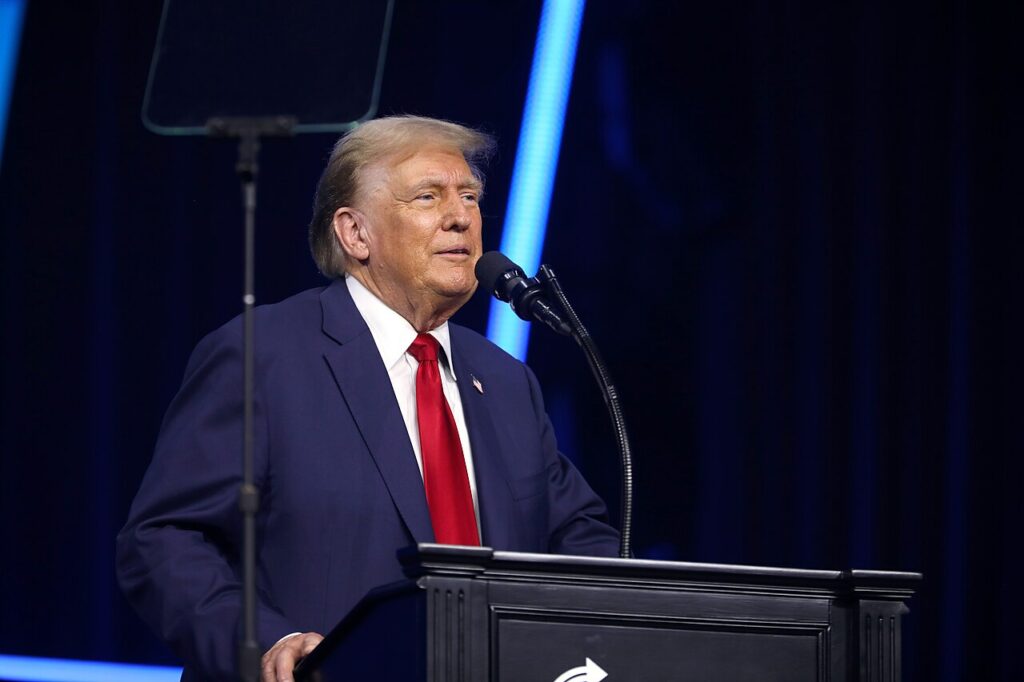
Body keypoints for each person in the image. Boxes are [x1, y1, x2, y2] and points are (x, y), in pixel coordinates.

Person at [116, 116, 620, 682]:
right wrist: (265, 641)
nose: (461, 216)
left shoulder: (504, 381)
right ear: (356, 234)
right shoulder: (263, 356)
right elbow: (163, 540)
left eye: (470, 196)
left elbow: (581, 540)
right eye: (428, 197)